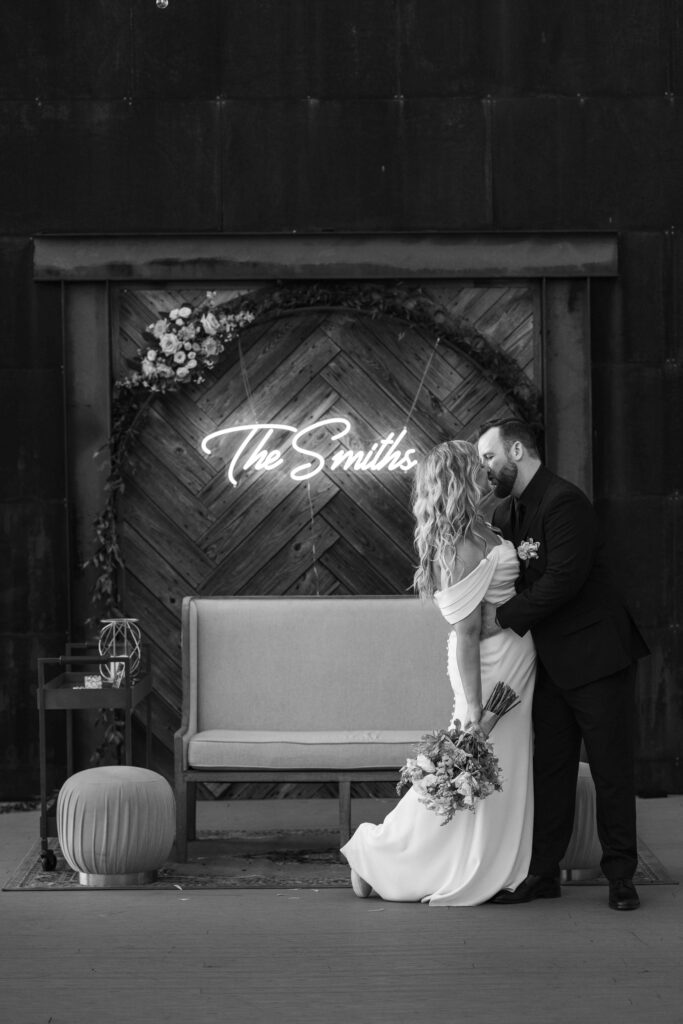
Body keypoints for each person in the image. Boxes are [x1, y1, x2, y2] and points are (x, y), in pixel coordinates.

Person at [340, 440, 536, 905]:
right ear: (462, 477)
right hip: (487, 669)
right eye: (478, 464)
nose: (487, 469)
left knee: (498, 767)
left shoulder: (485, 525)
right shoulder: (461, 545)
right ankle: (380, 854)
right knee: (467, 764)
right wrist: (474, 707)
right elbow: (466, 633)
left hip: (514, 661)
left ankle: (489, 860)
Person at [476, 418, 649, 911]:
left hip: (597, 658)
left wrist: (500, 619)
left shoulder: (565, 502)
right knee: (550, 770)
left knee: (611, 769)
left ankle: (621, 875)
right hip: (549, 663)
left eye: (489, 457)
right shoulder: (508, 512)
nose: (485, 468)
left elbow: (564, 579)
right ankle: (543, 873)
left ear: (516, 451)